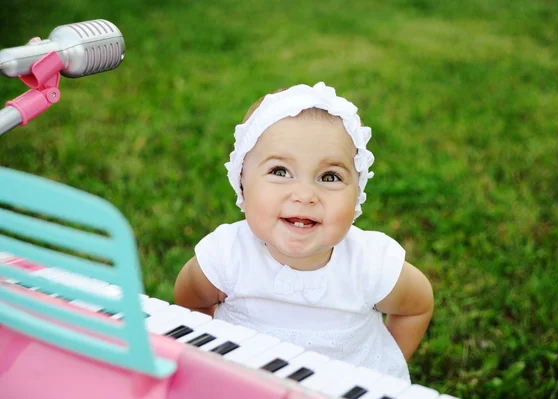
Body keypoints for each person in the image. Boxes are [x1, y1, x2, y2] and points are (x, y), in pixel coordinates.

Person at [174, 82, 434, 381]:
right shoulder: (226, 257)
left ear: (357, 193)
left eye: (329, 176)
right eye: (280, 172)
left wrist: (384, 369)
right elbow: (190, 306)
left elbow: (417, 306)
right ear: (242, 185)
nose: (305, 194)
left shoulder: (370, 265)